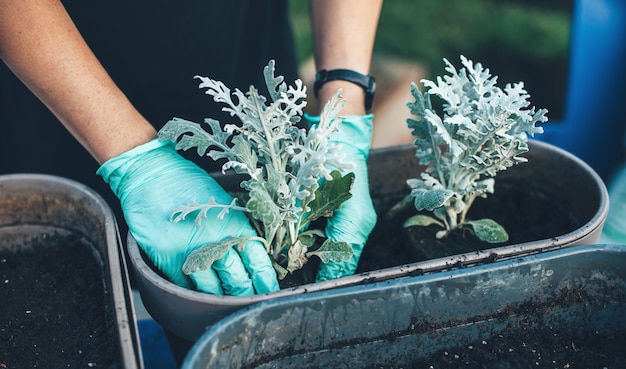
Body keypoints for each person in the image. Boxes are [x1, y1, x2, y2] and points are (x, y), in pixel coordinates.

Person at [0, 1, 382, 296]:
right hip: (55, 75)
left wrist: (343, 96)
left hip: (239, 53)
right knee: (69, 283)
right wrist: (134, 161)